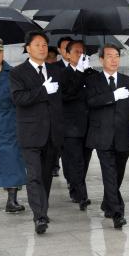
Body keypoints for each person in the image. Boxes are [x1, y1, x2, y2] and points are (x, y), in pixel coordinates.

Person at [85, 43, 129, 229]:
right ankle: (118, 212)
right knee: (109, 174)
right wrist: (113, 96)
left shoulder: (128, 82)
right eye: (109, 56)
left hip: (123, 136)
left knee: (118, 174)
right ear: (101, 59)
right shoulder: (94, 81)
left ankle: (108, 202)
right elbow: (90, 102)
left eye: (117, 56)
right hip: (102, 136)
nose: (114, 60)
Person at [9, 30, 64, 234]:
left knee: (46, 176)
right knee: (34, 176)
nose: (42, 48)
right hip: (31, 133)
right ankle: (39, 216)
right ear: (28, 48)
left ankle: (43, 209)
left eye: (45, 44)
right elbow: (19, 99)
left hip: (52, 133)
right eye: (38, 44)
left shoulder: (55, 71)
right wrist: (43, 90)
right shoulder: (17, 73)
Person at [0, 38, 27, 213]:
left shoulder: (14, 73)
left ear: (3, 53)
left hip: (9, 120)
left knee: (13, 160)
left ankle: (12, 200)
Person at [60, 41, 96, 210]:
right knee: (76, 162)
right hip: (71, 127)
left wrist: (86, 73)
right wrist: (80, 73)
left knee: (84, 161)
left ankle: (75, 189)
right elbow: (67, 95)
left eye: (83, 52)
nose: (80, 55)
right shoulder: (63, 74)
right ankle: (82, 196)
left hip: (88, 126)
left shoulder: (90, 73)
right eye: (76, 52)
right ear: (67, 55)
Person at [51, 36, 73, 178]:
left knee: (72, 155)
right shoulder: (53, 68)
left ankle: (73, 183)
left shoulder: (83, 67)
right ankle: (54, 165)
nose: (67, 50)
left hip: (75, 118)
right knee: (57, 148)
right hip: (59, 115)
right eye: (64, 48)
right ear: (59, 50)